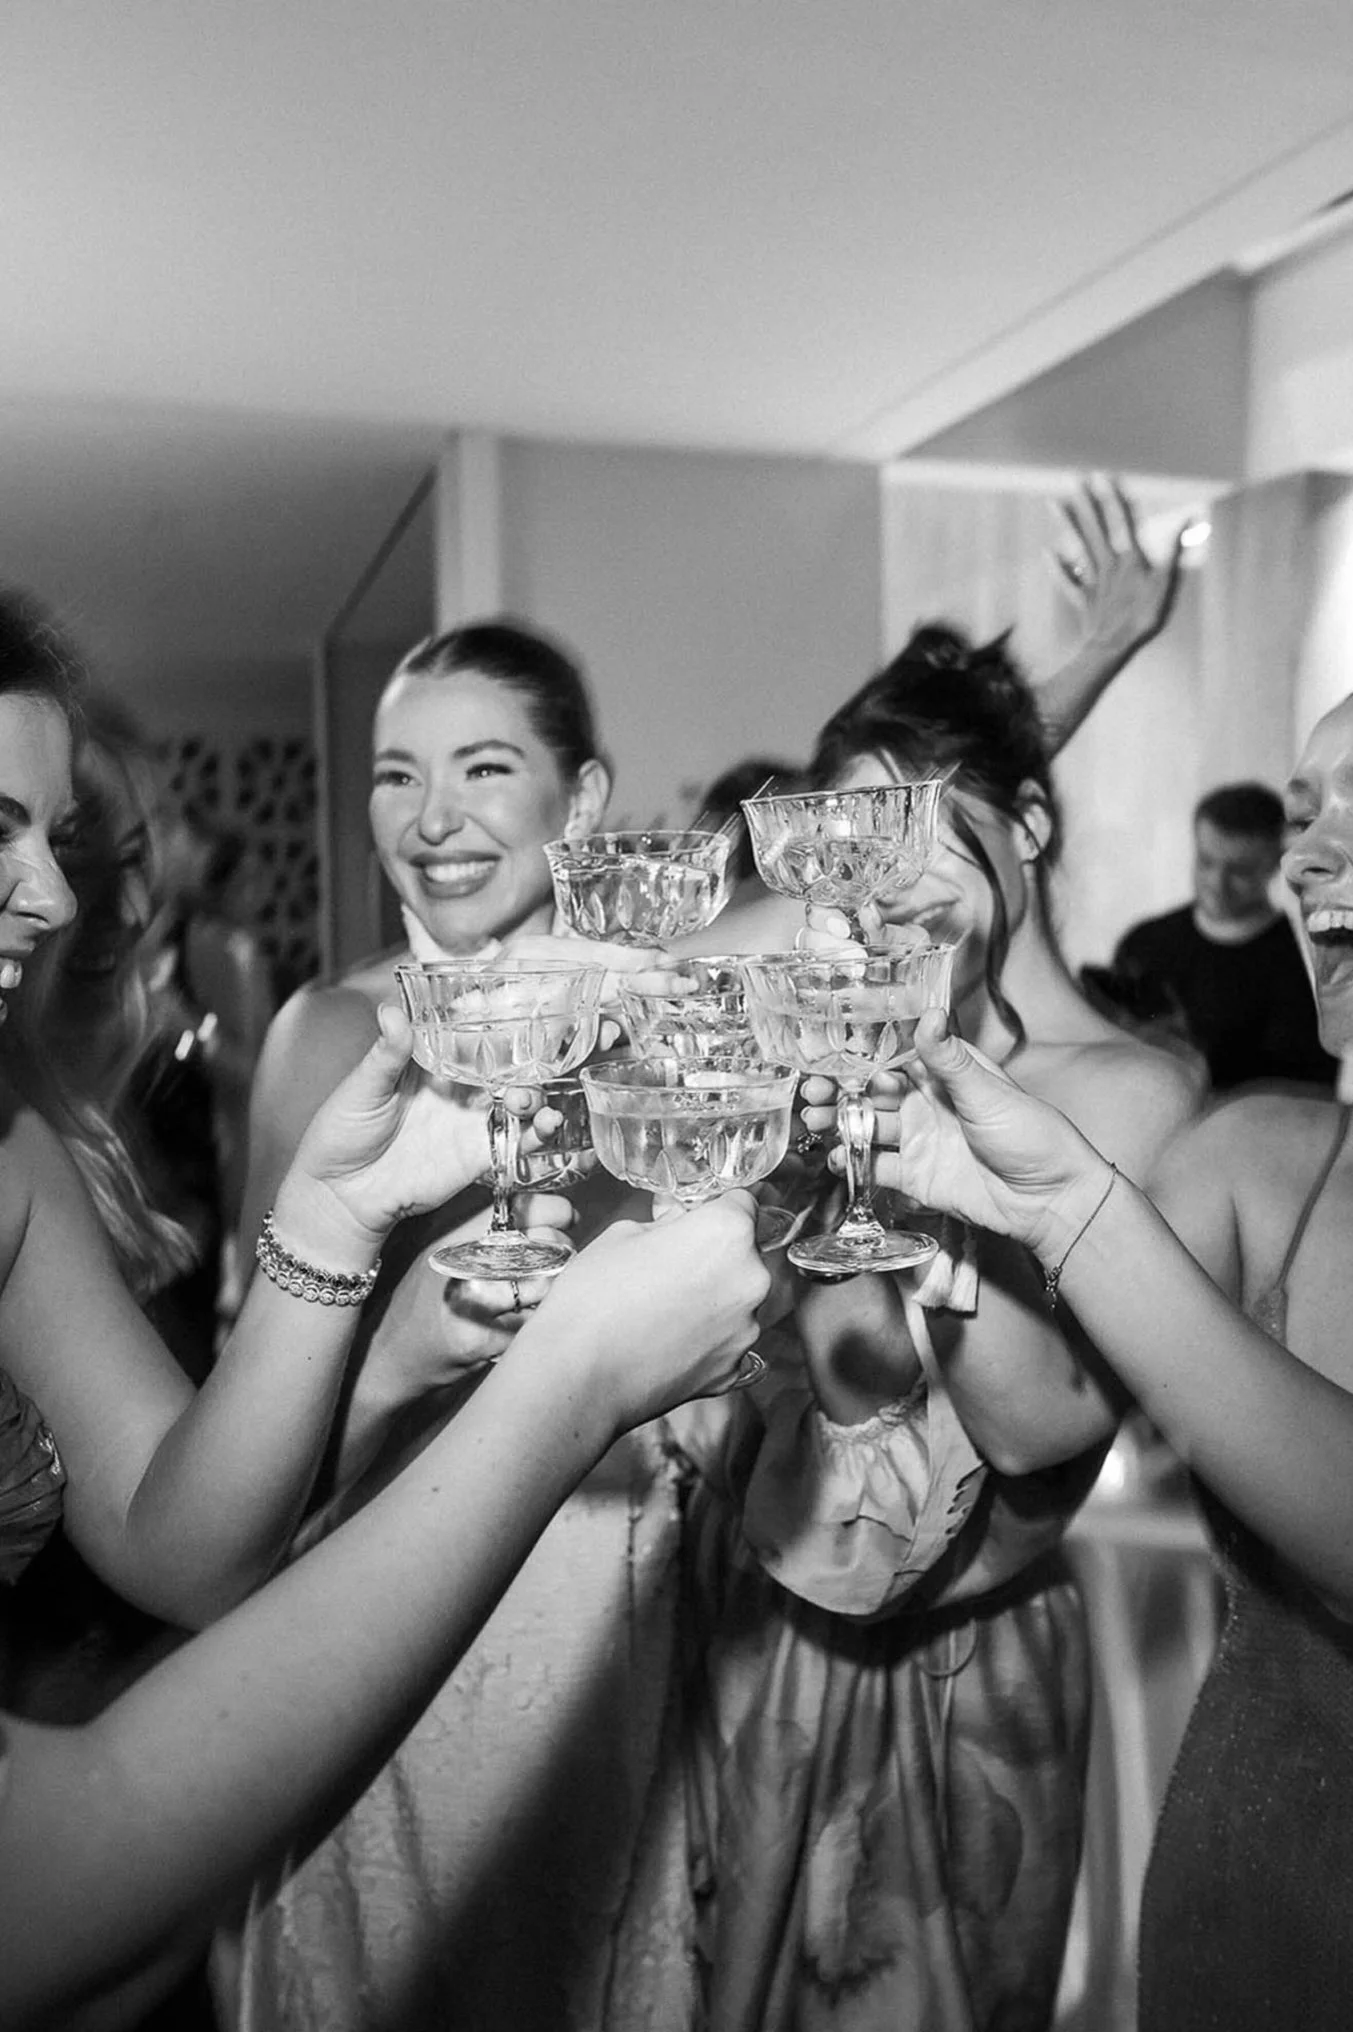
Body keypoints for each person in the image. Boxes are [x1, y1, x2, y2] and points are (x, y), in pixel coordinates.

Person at [0, 590, 771, 2030]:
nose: (56, 900)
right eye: (397, 772)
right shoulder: (330, 1030)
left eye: (55, 838)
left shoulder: (16, 1148)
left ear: (577, 796)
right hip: (284, 1701)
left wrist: (336, 1231)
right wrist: (535, 1379)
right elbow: (58, 1859)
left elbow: (189, 1546)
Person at [677, 619, 1201, 2031]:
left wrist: (904, 1121)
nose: (879, 875)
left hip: (963, 1690)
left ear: (1029, 823)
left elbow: (1037, 1423)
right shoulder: (809, 1024)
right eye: (846, 835)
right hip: (739, 1641)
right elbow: (651, 978)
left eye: (913, 829)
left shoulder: (1131, 1093)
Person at [855, 696, 1353, 2031]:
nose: (1308, 858)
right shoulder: (1263, 1159)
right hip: (1240, 1891)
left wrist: (1071, 1210)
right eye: (1305, 815)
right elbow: (1034, 1420)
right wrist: (926, 1194)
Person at [1109, 780, 1337, 1092]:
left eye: (1240, 871)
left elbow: (1309, 1102)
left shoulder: (1303, 966)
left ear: (1275, 864)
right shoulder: (1145, 942)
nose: (1217, 883)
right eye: (1206, 862)